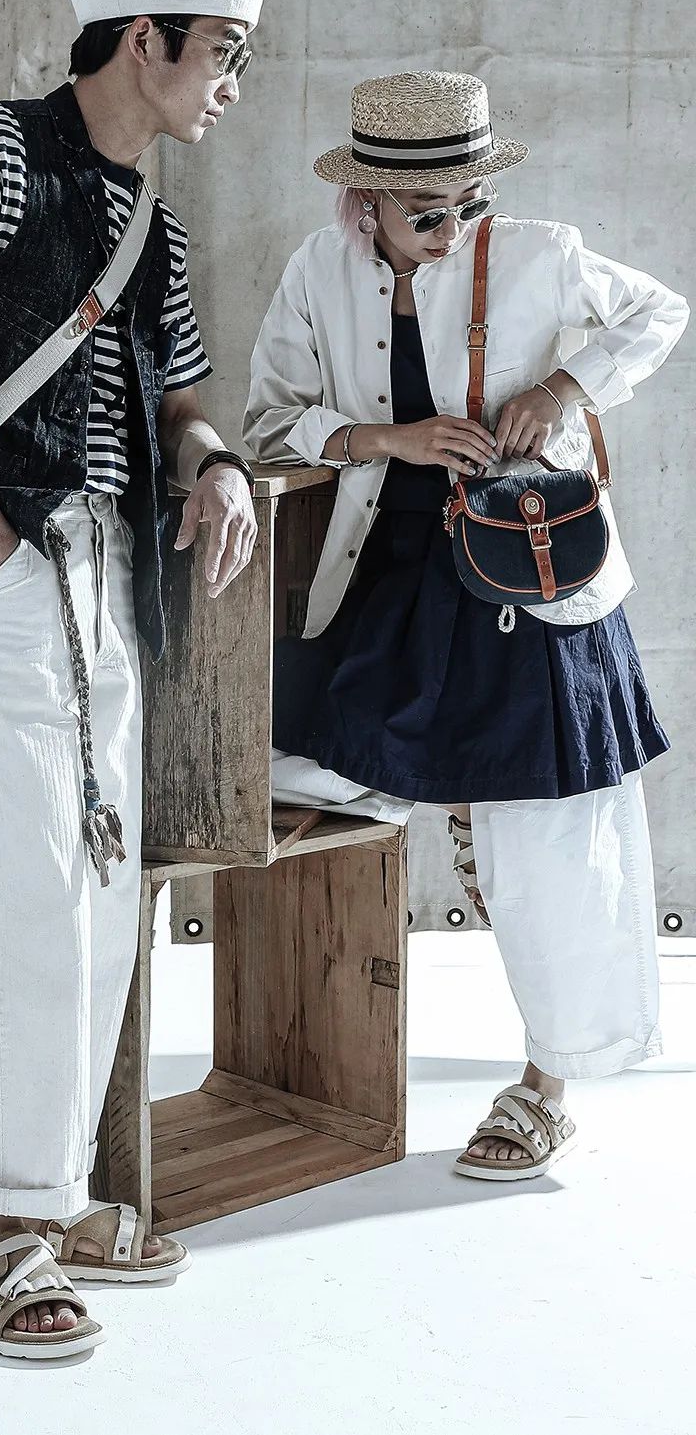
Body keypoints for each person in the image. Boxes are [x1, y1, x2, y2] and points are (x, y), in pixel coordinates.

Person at [0, 0, 270, 1360]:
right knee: (19, 892)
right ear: (146, 39)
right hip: (4, 566)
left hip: (115, 578)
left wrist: (219, 464)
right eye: (222, 53)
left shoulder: (152, 214)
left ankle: (50, 1189)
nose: (232, 84)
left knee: (96, 895)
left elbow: (183, 400)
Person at [245, 70, 688, 1187]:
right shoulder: (317, 271)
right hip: (385, 575)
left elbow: (661, 310)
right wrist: (381, 440)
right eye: (430, 213)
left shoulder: (540, 252)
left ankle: (549, 1084)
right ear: (369, 203)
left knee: (550, 830)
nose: (456, 230)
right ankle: (307, 1056)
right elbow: (269, 418)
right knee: (288, 770)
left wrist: (565, 387)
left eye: (469, 203)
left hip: (527, 574)